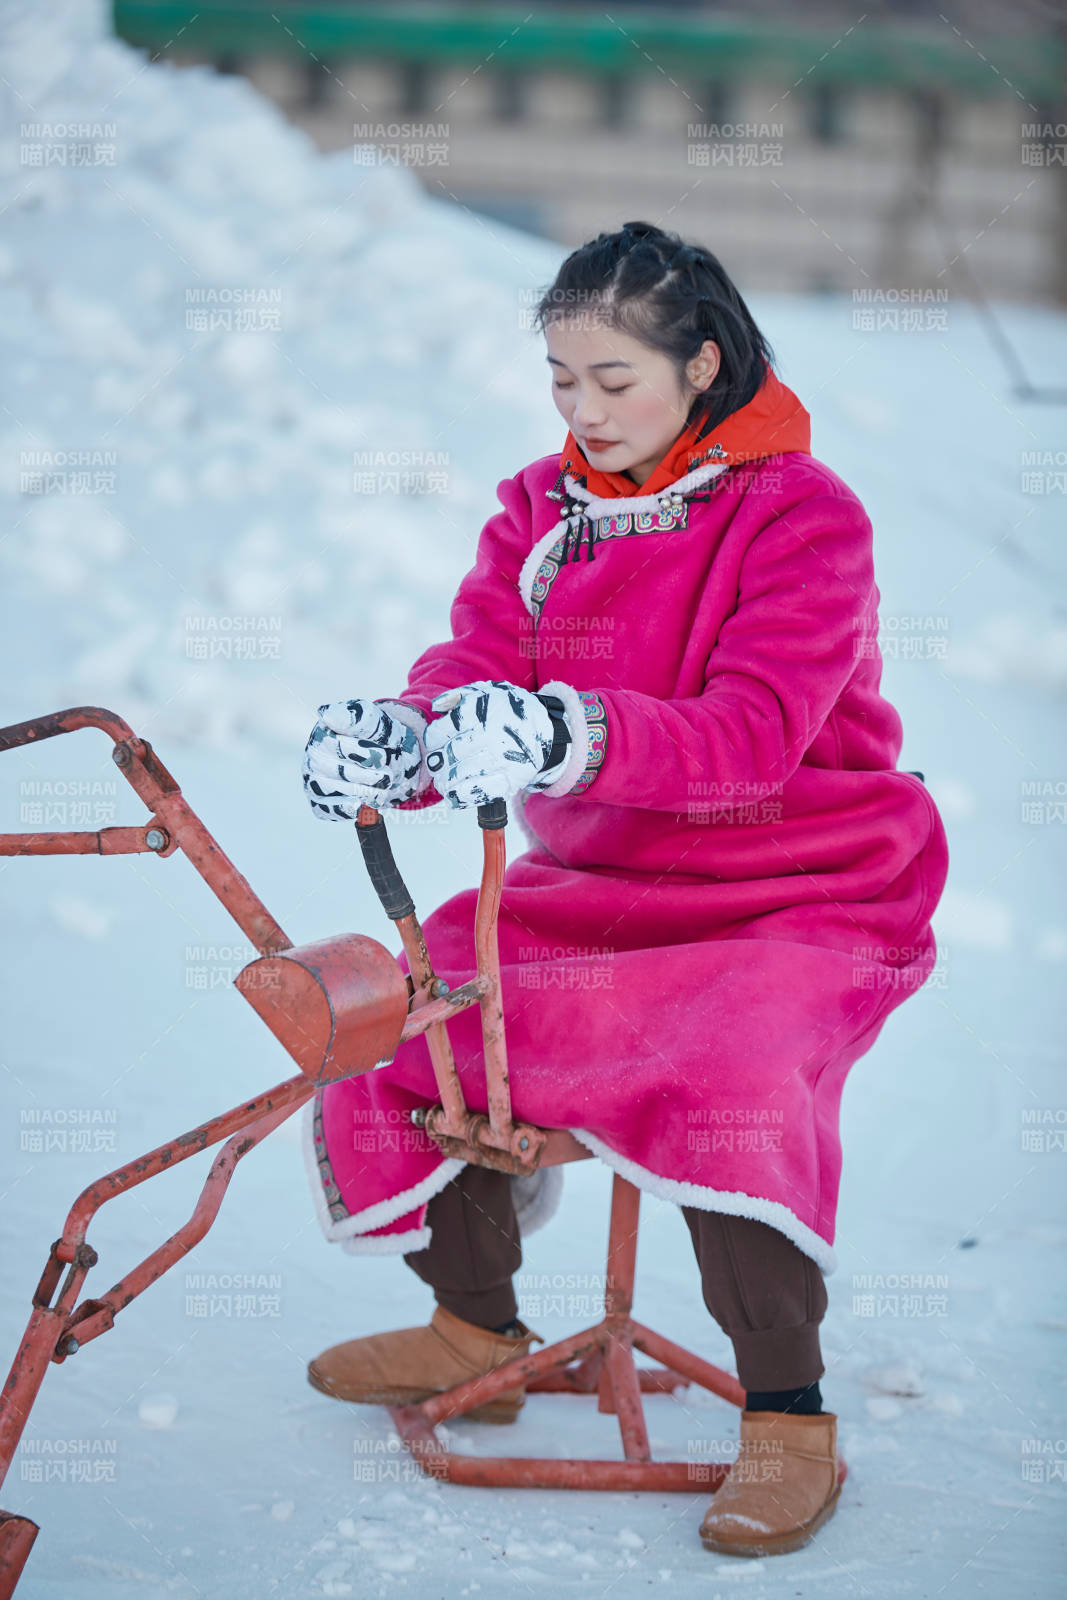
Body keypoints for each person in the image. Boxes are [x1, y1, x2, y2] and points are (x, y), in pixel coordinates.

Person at [299, 221, 949, 1558]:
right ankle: (471, 1324)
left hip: (803, 885)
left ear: (703, 363)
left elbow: (756, 730)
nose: (583, 413)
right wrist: (411, 741)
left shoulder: (804, 516)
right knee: (427, 1009)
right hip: (607, 880)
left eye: (613, 382)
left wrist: (566, 732)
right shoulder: (540, 508)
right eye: (561, 381)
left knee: (727, 1071)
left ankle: (789, 1418)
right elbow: (475, 661)